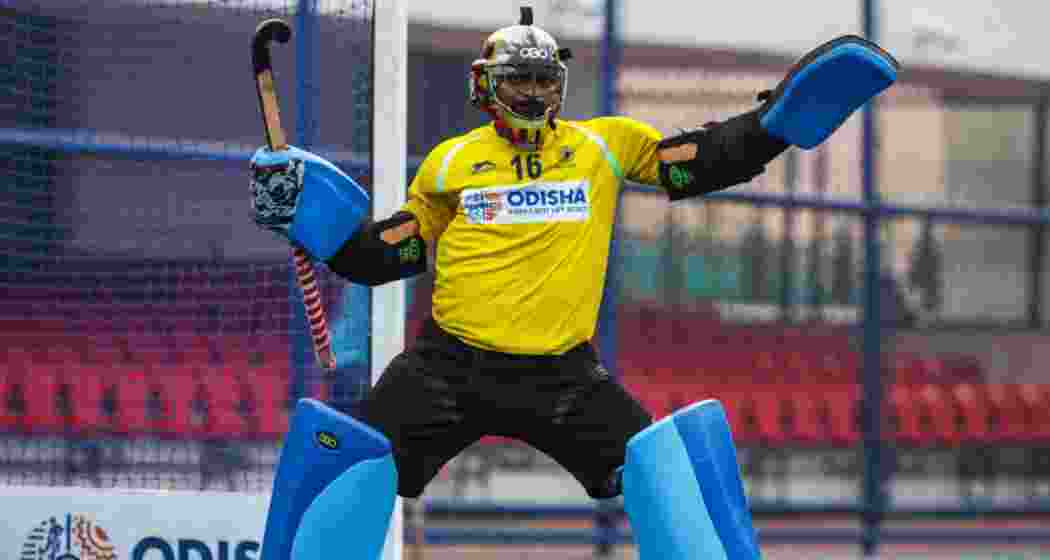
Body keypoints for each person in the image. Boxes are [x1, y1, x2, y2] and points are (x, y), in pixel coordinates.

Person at [251, 8, 899, 560]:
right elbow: (384, 254)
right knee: (347, 454)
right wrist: (309, 217)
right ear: (485, 85)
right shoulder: (451, 163)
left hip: (564, 378)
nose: (532, 93)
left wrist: (771, 130)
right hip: (446, 370)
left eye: (542, 78)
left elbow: (694, 166)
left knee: (662, 465)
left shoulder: (604, 147)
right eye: (517, 80)